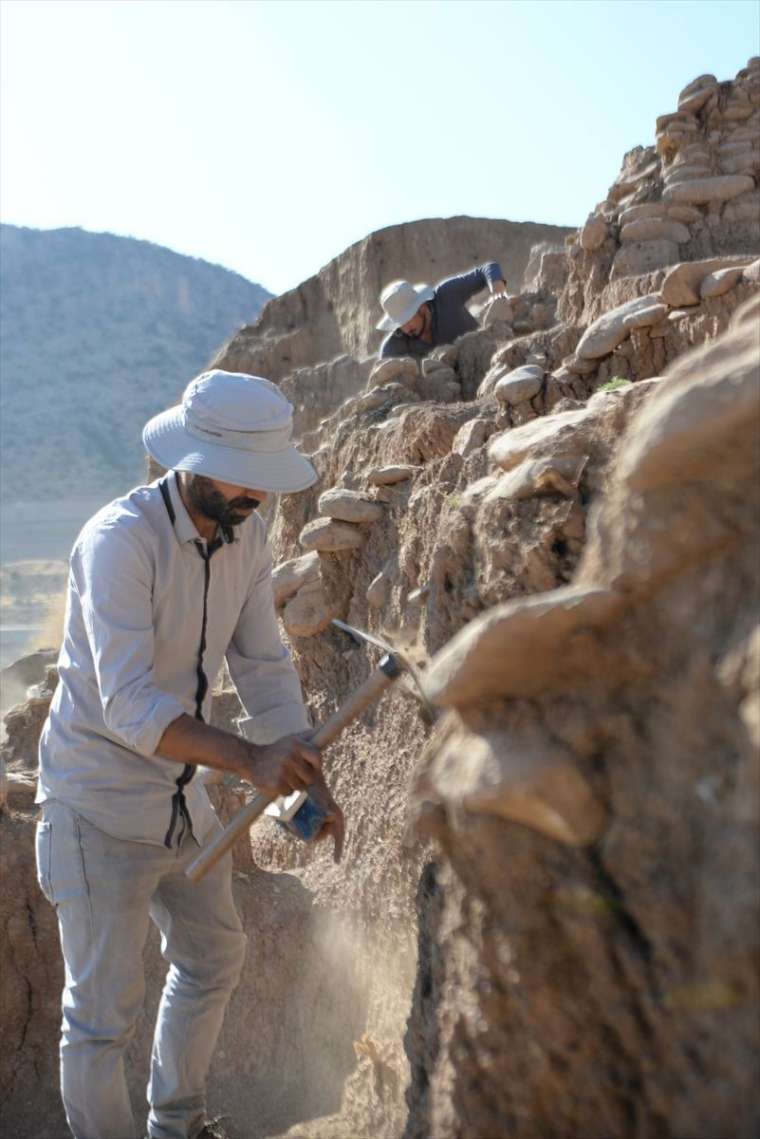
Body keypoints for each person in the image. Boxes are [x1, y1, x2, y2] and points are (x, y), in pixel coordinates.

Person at [35, 369, 344, 1139]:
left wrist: (303, 779)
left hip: (180, 802)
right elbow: (131, 706)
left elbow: (265, 668)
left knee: (213, 956)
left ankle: (175, 1125)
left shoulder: (247, 537)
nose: (260, 498)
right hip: (96, 806)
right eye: (250, 482)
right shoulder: (121, 543)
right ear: (198, 461)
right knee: (101, 1017)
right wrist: (250, 760)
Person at [376, 260, 508, 360]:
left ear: (421, 307)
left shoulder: (446, 295)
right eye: (399, 323)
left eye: (406, 319)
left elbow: (487, 268)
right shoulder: (394, 346)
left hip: (488, 356)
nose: (405, 329)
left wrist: (497, 291)